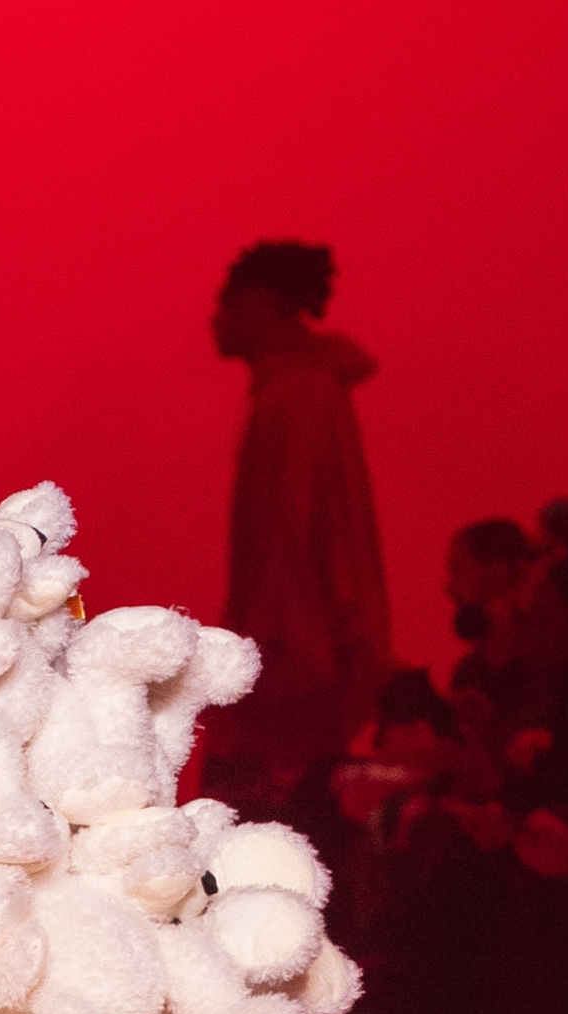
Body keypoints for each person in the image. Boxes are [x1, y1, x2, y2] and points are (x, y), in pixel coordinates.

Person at [204, 240, 393, 816]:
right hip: (301, 650)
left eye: (228, 304)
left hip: (294, 662)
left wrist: (265, 648)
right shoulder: (302, 389)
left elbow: (291, 532)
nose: (216, 321)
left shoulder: (294, 398)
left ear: (261, 305)